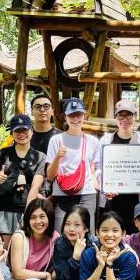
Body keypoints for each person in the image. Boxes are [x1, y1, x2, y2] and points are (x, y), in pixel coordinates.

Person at [46, 97, 101, 234]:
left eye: (79, 114)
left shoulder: (93, 141)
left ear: (85, 115)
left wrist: (98, 183)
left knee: (87, 235)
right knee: (60, 235)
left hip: (87, 193)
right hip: (62, 193)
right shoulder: (56, 140)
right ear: (65, 117)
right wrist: (58, 157)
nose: (75, 119)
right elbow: (50, 175)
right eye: (71, 115)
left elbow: (93, 170)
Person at [99, 99, 140, 233]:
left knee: (134, 236)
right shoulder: (106, 141)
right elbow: (99, 170)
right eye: (120, 115)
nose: (124, 119)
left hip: (136, 199)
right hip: (112, 199)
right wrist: (104, 187)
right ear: (115, 118)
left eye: (128, 115)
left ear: (135, 117)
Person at [0, 114, 47, 236]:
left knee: (23, 250)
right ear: (12, 133)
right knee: (2, 250)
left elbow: (35, 187)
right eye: (17, 131)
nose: (21, 134)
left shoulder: (40, 157)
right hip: (2, 209)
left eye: (24, 130)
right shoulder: (2, 153)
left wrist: (28, 214)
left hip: (26, 209)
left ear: (31, 131)